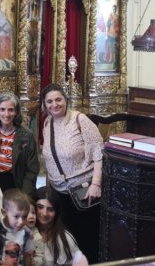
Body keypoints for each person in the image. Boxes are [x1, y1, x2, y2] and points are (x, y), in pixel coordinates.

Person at [40, 84, 102, 263]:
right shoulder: (48, 122)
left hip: (83, 191)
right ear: (45, 104)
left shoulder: (79, 120)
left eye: (58, 99)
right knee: (67, 239)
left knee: (87, 239)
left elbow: (99, 153)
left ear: (66, 100)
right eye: (49, 101)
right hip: (59, 193)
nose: (54, 104)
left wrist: (96, 184)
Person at [34, 187, 79, 266]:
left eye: (50, 209)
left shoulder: (65, 238)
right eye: (40, 207)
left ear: (56, 213)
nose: (44, 213)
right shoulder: (24, 232)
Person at [26, 198, 46, 266]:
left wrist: (33, 262)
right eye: (26, 213)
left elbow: (41, 258)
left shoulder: (37, 237)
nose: (31, 216)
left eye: (33, 212)